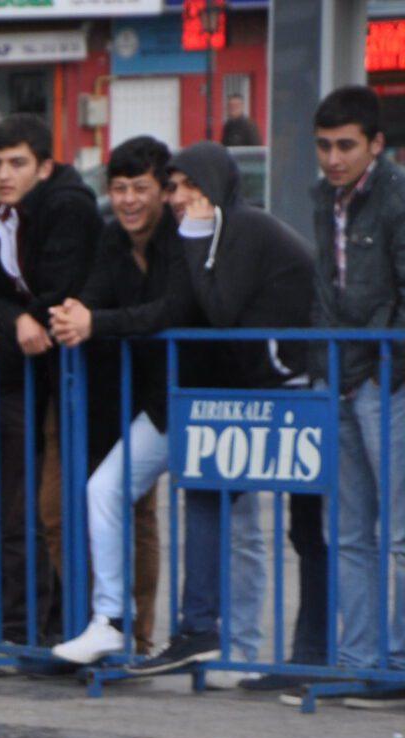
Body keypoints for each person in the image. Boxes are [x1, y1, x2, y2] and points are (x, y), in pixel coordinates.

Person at [144, 140, 313, 682]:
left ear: (217, 187)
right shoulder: (216, 231)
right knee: (229, 512)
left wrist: (193, 237)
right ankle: (233, 645)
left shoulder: (243, 227)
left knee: (310, 529)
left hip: (293, 385)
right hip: (252, 387)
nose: (180, 198)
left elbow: (219, 309)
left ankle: (291, 652)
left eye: (192, 186)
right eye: (175, 187)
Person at [47, 136, 193, 667]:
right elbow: (94, 295)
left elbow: (171, 310)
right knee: (104, 489)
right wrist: (72, 314)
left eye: (140, 188)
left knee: (227, 521)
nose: (128, 200)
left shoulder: (182, 237)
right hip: (157, 404)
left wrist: (94, 321)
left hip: (204, 395)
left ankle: (226, 643)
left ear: (163, 190)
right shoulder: (113, 239)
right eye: (119, 188)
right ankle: (110, 621)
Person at [0, 113, 100, 644]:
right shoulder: (3, 213)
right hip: (43, 375)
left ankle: (97, 626)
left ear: (45, 166)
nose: (3, 175)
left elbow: (61, 286)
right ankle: (58, 625)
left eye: (17, 163)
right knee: (44, 509)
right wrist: (19, 317)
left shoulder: (67, 206)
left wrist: (27, 311)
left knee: (79, 507)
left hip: (85, 373)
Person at [310, 86, 405, 706]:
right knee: (346, 532)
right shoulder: (324, 199)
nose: (333, 158)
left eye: (346, 145)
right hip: (338, 374)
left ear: (376, 144)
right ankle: (360, 659)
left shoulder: (397, 198)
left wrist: (377, 361)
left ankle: (397, 663)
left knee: (399, 533)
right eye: (324, 146)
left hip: (386, 377)